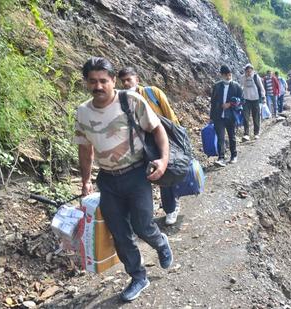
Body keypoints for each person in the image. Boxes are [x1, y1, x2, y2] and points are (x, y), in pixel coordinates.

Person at [74, 57, 173, 302]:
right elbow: (85, 150)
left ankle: (160, 242)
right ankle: (138, 276)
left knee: (142, 224)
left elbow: (158, 129)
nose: (98, 86)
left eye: (103, 81)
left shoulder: (131, 101)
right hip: (107, 180)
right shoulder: (83, 112)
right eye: (93, 81)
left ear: (113, 81)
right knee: (120, 233)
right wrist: (86, 181)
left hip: (137, 174)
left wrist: (163, 160)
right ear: (86, 82)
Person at [117, 67, 181, 225]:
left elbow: (170, 115)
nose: (126, 83)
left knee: (163, 175)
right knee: (140, 179)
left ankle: (171, 208)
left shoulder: (153, 93)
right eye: (123, 81)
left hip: (160, 141)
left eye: (128, 80)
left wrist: (178, 139)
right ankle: (143, 216)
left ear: (137, 80)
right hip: (137, 146)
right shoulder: (121, 100)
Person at [210, 65, 243, 167]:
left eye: (230, 74)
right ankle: (221, 158)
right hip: (218, 116)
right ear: (222, 75)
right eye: (226, 75)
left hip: (231, 115)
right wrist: (211, 117)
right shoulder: (216, 86)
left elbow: (242, 100)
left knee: (231, 136)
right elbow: (213, 102)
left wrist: (230, 104)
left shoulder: (236, 86)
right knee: (220, 137)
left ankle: (234, 155)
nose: (229, 77)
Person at [241, 63, 264, 141]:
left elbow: (261, 87)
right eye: (247, 71)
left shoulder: (256, 77)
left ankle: (256, 133)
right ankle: (246, 134)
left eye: (250, 71)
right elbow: (241, 86)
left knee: (256, 117)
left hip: (255, 99)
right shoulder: (243, 77)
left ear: (252, 70)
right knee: (245, 117)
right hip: (246, 99)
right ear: (245, 71)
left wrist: (263, 97)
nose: (248, 72)